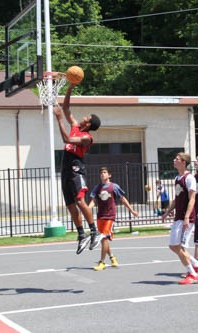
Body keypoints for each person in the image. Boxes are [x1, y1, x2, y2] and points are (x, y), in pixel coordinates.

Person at [54, 83, 103, 254]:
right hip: (65, 167)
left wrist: (59, 119)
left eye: (86, 118)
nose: (83, 117)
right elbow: (66, 108)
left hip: (76, 167)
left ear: (89, 124)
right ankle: (82, 234)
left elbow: (67, 140)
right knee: (70, 205)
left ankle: (94, 231)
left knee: (80, 200)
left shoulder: (86, 138)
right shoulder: (76, 126)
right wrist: (70, 87)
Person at [161, 152, 198, 285]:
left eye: (177, 159)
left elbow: (192, 199)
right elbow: (177, 198)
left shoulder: (189, 178)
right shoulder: (178, 178)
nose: (174, 160)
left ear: (184, 162)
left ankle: (193, 274)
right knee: (173, 246)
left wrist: (186, 217)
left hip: (186, 218)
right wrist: (167, 212)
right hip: (178, 217)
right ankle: (196, 264)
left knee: (181, 248)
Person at [89, 166, 139, 270]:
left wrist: (132, 210)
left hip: (110, 216)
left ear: (109, 175)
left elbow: (123, 199)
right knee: (104, 240)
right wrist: (87, 210)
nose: (102, 174)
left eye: (104, 172)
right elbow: (93, 201)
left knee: (104, 238)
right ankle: (112, 257)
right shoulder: (97, 187)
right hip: (100, 216)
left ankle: (102, 262)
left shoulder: (114, 187)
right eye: (101, 173)